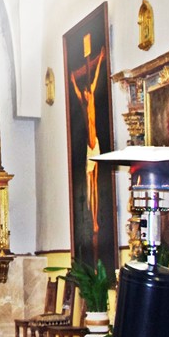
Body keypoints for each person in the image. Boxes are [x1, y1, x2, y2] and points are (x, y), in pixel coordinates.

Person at [70, 51, 105, 261]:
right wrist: (74, 81)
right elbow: (76, 90)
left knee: (95, 182)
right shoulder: (84, 106)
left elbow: (96, 76)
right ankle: (93, 219)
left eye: (85, 92)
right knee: (91, 184)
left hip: (95, 144)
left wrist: (99, 59)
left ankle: (94, 220)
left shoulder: (90, 97)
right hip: (90, 147)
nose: (85, 93)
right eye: (84, 93)